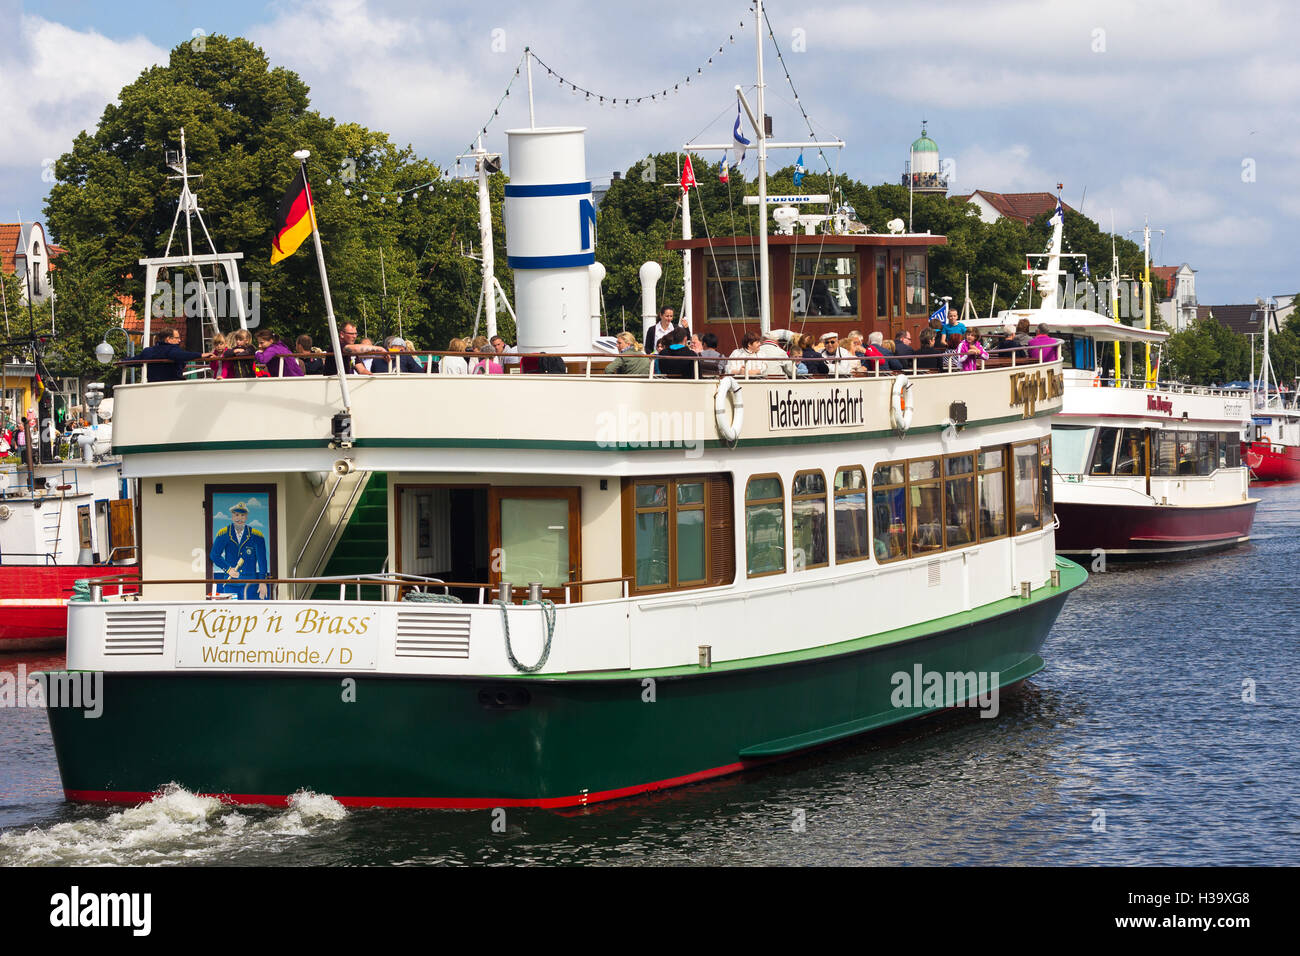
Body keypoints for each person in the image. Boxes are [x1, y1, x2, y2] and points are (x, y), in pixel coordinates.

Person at [209, 501, 269, 599]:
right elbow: (214, 555)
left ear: (246, 517)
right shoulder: (224, 534)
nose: (239, 518)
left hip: (250, 584)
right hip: (230, 584)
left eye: (242, 515)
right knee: (231, 612)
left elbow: (262, 561)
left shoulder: (256, 536)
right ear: (232, 517)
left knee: (249, 612)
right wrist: (228, 569)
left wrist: (263, 582)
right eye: (236, 515)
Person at [137, 327, 209, 382]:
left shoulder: (148, 351)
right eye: (177, 338)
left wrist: (125, 360)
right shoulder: (172, 349)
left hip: (153, 386)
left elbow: (134, 361)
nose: (179, 340)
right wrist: (201, 355)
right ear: (168, 339)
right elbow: (182, 355)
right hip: (173, 385)